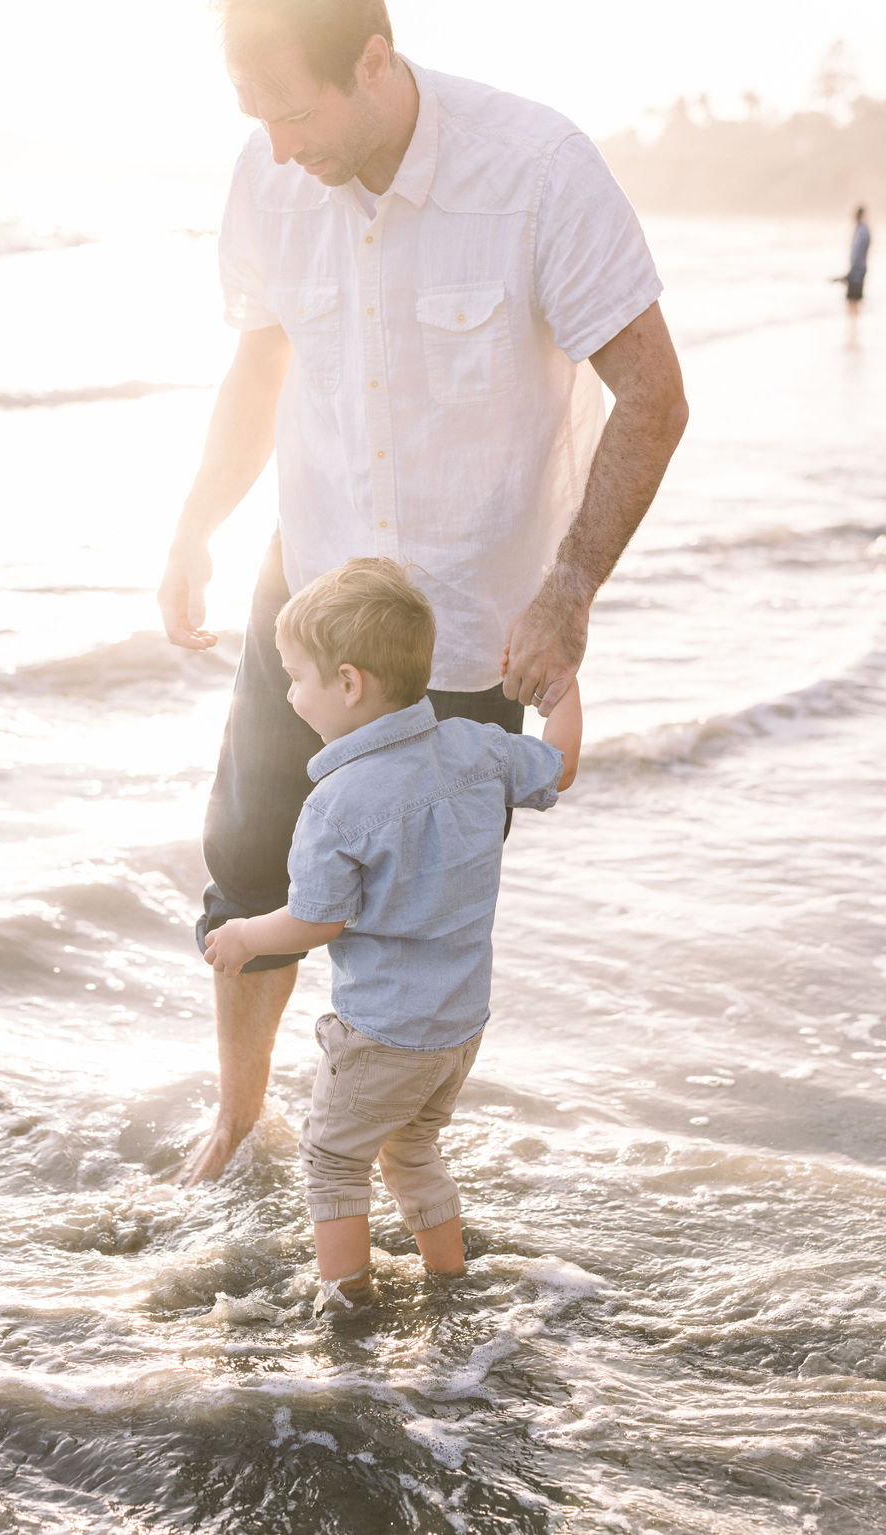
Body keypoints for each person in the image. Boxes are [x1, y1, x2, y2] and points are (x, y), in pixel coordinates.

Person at [157, 0, 688, 1183]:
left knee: (412, 915)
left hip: (466, 631)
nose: (280, 149)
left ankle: (400, 1150)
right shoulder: (268, 170)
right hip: (310, 592)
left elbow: (653, 394)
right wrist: (198, 517)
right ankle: (240, 1119)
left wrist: (568, 589)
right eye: (258, 119)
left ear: (377, 62)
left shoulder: (538, 171)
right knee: (249, 863)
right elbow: (262, 359)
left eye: (296, 113)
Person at [203, 559, 582, 1314]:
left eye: (298, 676)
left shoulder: (335, 803)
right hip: (457, 1029)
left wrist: (244, 934)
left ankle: (348, 1306)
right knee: (413, 1151)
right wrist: (564, 690)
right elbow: (561, 766)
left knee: (334, 1161)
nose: (287, 693)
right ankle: (449, 1280)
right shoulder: (477, 747)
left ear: (349, 685)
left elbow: (318, 919)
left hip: (384, 1033)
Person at [845, 206, 871, 318]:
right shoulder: (860, 229)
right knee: (853, 298)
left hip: (858, 268)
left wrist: (855, 267)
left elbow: (860, 249)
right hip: (858, 266)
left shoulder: (862, 230)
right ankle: (853, 324)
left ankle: (854, 325)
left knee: (853, 298)